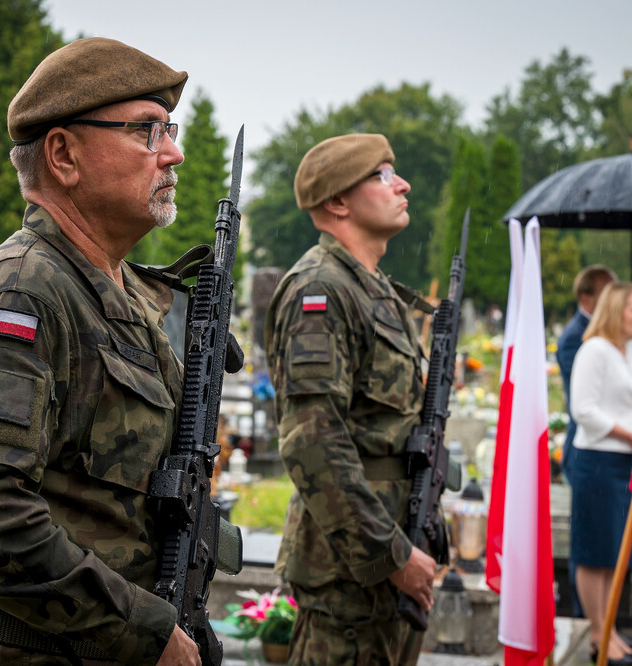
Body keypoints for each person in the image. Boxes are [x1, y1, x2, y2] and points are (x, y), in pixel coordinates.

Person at [0, 38, 201, 666]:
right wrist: (138, 628)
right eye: (147, 131)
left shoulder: (116, 292)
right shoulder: (26, 292)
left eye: (168, 129)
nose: (173, 152)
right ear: (64, 155)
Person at [265, 134, 437, 666]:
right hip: (351, 567)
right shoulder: (320, 290)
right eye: (383, 175)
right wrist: (389, 554)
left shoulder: (374, 287)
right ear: (338, 202)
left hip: (396, 546)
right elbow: (313, 442)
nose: (402, 184)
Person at [568, 281, 632, 664]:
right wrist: (631, 436)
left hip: (627, 462)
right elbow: (582, 410)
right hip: (597, 461)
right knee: (593, 551)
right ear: (617, 310)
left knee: (614, 552)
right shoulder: (594, 350)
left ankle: (611, 629)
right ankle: (597, 635)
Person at [555, 265, 616, 618]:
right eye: (606, 293)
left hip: (608, 452)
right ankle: (586, 620)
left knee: (606, 542)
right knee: (589, 541)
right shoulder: (576, 336)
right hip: (586, 451)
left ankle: (604, 620)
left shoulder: (601, 333)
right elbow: (588, 400)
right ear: (586, 298)